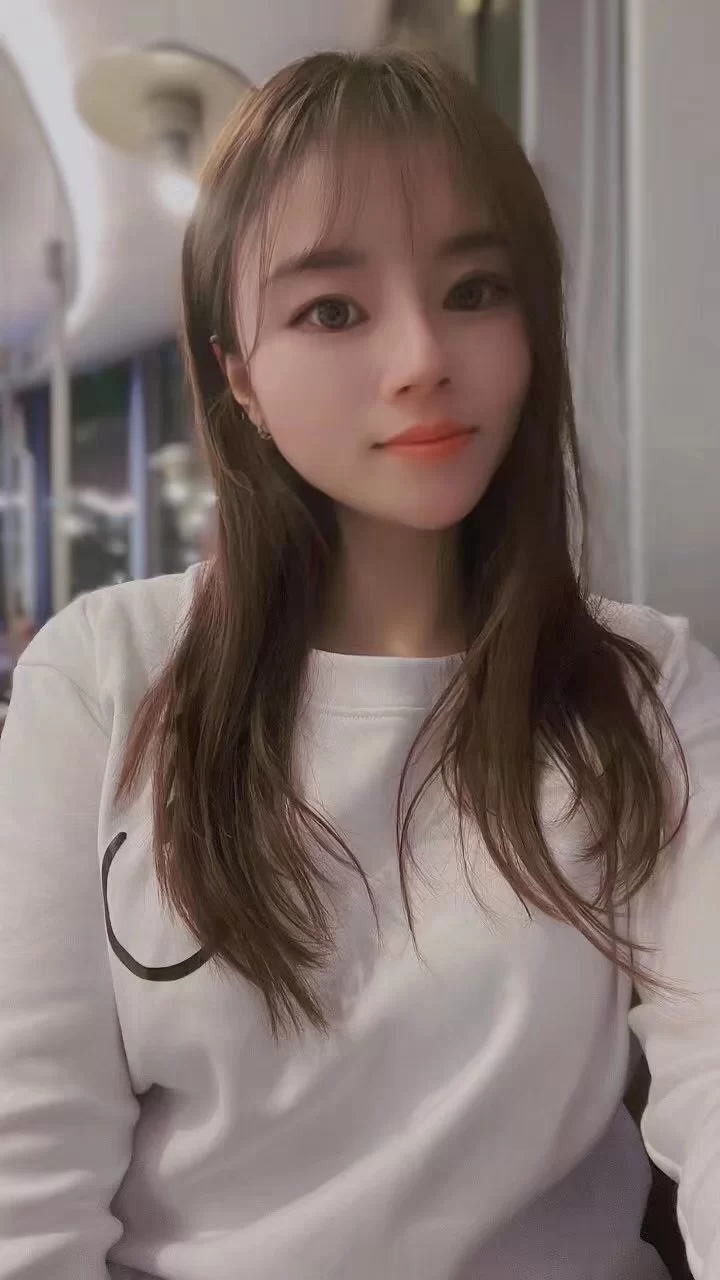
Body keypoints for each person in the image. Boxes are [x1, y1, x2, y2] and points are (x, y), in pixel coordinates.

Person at [0, 48, 718, 1280]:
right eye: (332, 310)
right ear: (239, 375)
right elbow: (27, 1177)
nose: (422, 354)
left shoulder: (643, 690)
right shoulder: (104, 676)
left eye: (476, 289)